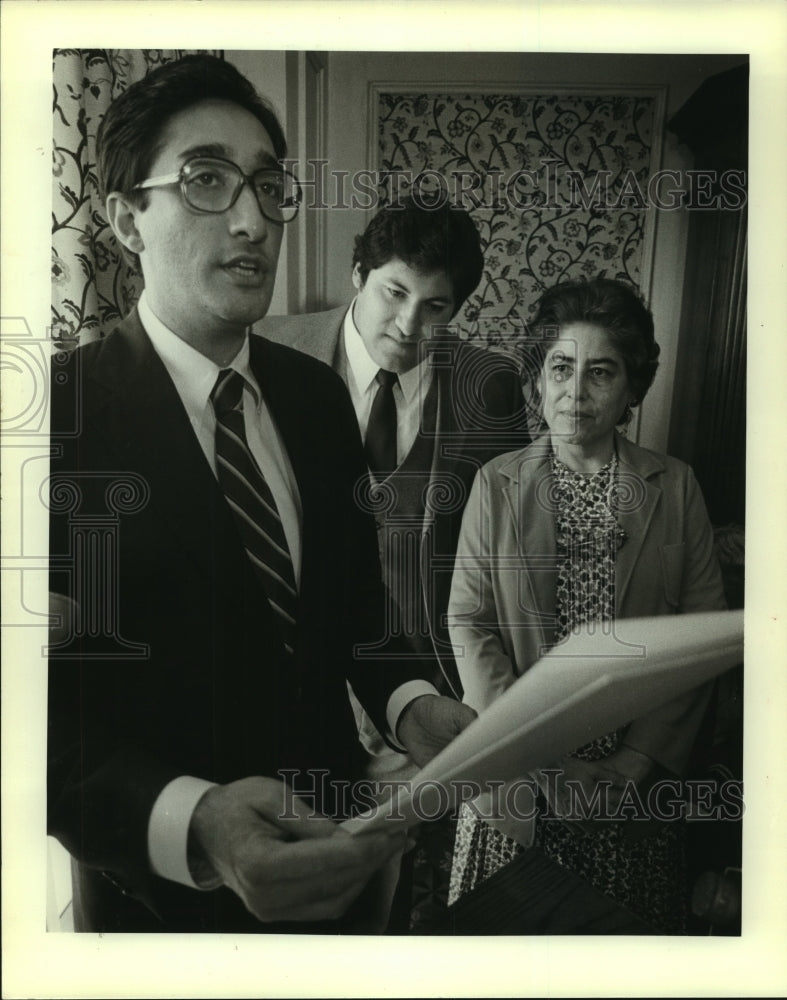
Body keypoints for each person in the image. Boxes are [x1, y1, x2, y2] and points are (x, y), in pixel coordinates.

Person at [47, 54, 474, 934]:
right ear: (128, 218)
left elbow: (355, 607)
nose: (251, 219)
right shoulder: (52, 423)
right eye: (207, 180)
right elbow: (33, 718)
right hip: (163, 907)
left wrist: (412, 703)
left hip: (343, 854)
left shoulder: (315, 397)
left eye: (269, 186)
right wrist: (194, 821)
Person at [446, 278, 727, 933]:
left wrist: (635, 762)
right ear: (537, 381)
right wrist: (537, 756)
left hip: (628, 787)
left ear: (631, 389)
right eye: (561, 369)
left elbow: (704, 637)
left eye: (600, 373)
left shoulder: (675, 484)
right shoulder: (496, 483)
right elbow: (469, 620)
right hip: (521, 772)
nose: (575, 393)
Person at [260, 197, 531, 708]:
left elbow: (508, 548)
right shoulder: (269, 349)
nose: (409, 324)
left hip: (434, 676)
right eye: (395, 291)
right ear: (358, 274)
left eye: (435, 306)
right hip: (298, 670)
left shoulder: (491, 385)